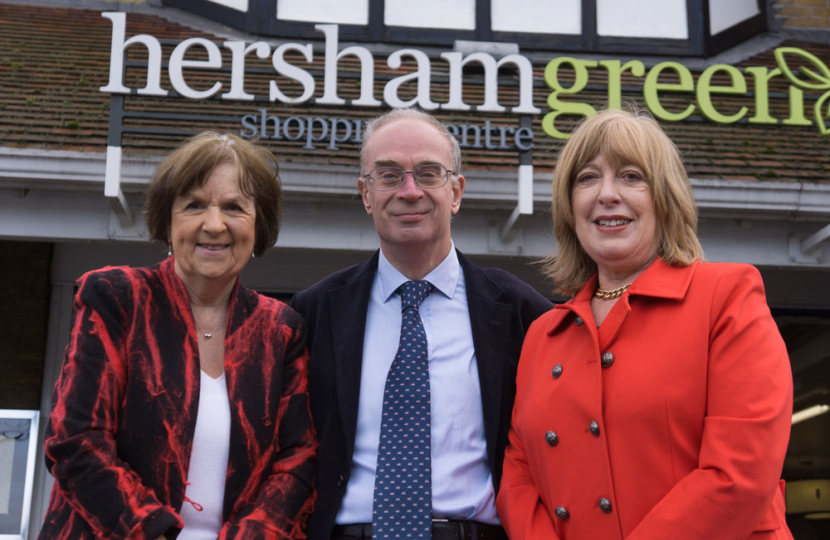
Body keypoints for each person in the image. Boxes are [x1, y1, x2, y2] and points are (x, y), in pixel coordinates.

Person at [497, 108, 794, 540]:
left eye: (631, 176)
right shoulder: (542, 335)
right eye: (586, 178)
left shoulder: (727, 296)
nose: (606, 194)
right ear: (568, 206)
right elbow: (519, 481)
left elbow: (739, 473)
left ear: (665, 197)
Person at [290, 108, 552, 540]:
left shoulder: (522, 313)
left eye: (428, 173)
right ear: (365, 194)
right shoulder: (313, 313)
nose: (409, 191)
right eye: (389, 175)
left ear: (456, 191)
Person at [38, 132, 316, 540]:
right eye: (195, 205)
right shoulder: (118, 298)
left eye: (235, 207)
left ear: (260, 225)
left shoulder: (282, 330)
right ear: (168, 221)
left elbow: (298, 460)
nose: (215, 224)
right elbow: (75, 440)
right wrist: (156, 531)